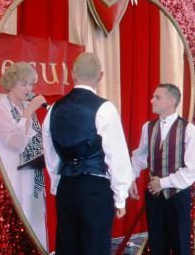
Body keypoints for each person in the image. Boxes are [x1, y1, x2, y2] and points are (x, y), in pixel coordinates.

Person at [42, 52, 132, 255]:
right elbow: (117, 156)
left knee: (67, 248)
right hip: (95, 189)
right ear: (100, 76)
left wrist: (57, 184)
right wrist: (120, 198)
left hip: (66, 187)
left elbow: (50, 153)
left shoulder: (54, 108)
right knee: (95, 248)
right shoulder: (105, 108)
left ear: (72, 74)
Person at [129, 83, 195, 255]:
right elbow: (139, 157)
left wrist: (163, 182)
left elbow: (194, 169)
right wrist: (131, 177)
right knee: (157, 247)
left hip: (177, 197)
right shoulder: (147, 127)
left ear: (171, 101)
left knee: (181, 246)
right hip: (154, 197)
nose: (151, 100)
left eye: (157, 97)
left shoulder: (188, 129)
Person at [0, 62, 48, 249]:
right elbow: (16, 143)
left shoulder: (25, 106)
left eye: (31, 84)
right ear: (12, 83)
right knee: (18, 225)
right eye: (24, 84)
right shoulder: (0, 109)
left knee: (35, 223)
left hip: (32, 175)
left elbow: (36, 141)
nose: (29, 89)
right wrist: (30, 110)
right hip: (13, 177)